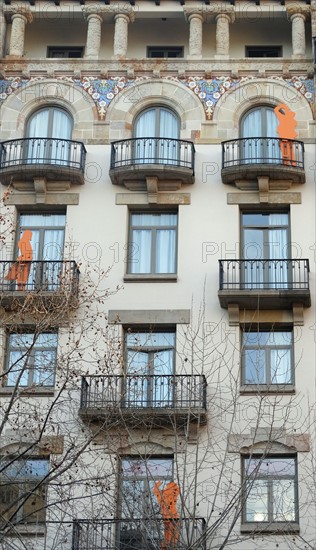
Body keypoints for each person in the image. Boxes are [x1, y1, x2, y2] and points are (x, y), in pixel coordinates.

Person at [153, 480, 180, 549]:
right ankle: (171, 546)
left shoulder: (163, 493)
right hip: (171, 516)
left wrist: (159, 483)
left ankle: (168, 546)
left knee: (169, 533)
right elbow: (177, 490)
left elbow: (156, 491)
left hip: (169, 516)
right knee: (171, 533)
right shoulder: (167, 493)